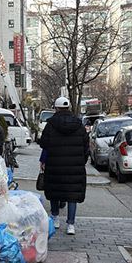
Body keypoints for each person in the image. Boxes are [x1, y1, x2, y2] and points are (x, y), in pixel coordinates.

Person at [38, 96, 89, 235]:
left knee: (55, 191)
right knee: (72, 195)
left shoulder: (50, 124)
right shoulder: (79, 124)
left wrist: (44, 160)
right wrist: (81, 161)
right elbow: (86, 146)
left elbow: (44, 144)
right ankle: (71, 224)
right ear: (68, 108)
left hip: (54, 164)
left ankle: (55, 218)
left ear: (56, 108)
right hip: (75, 166)